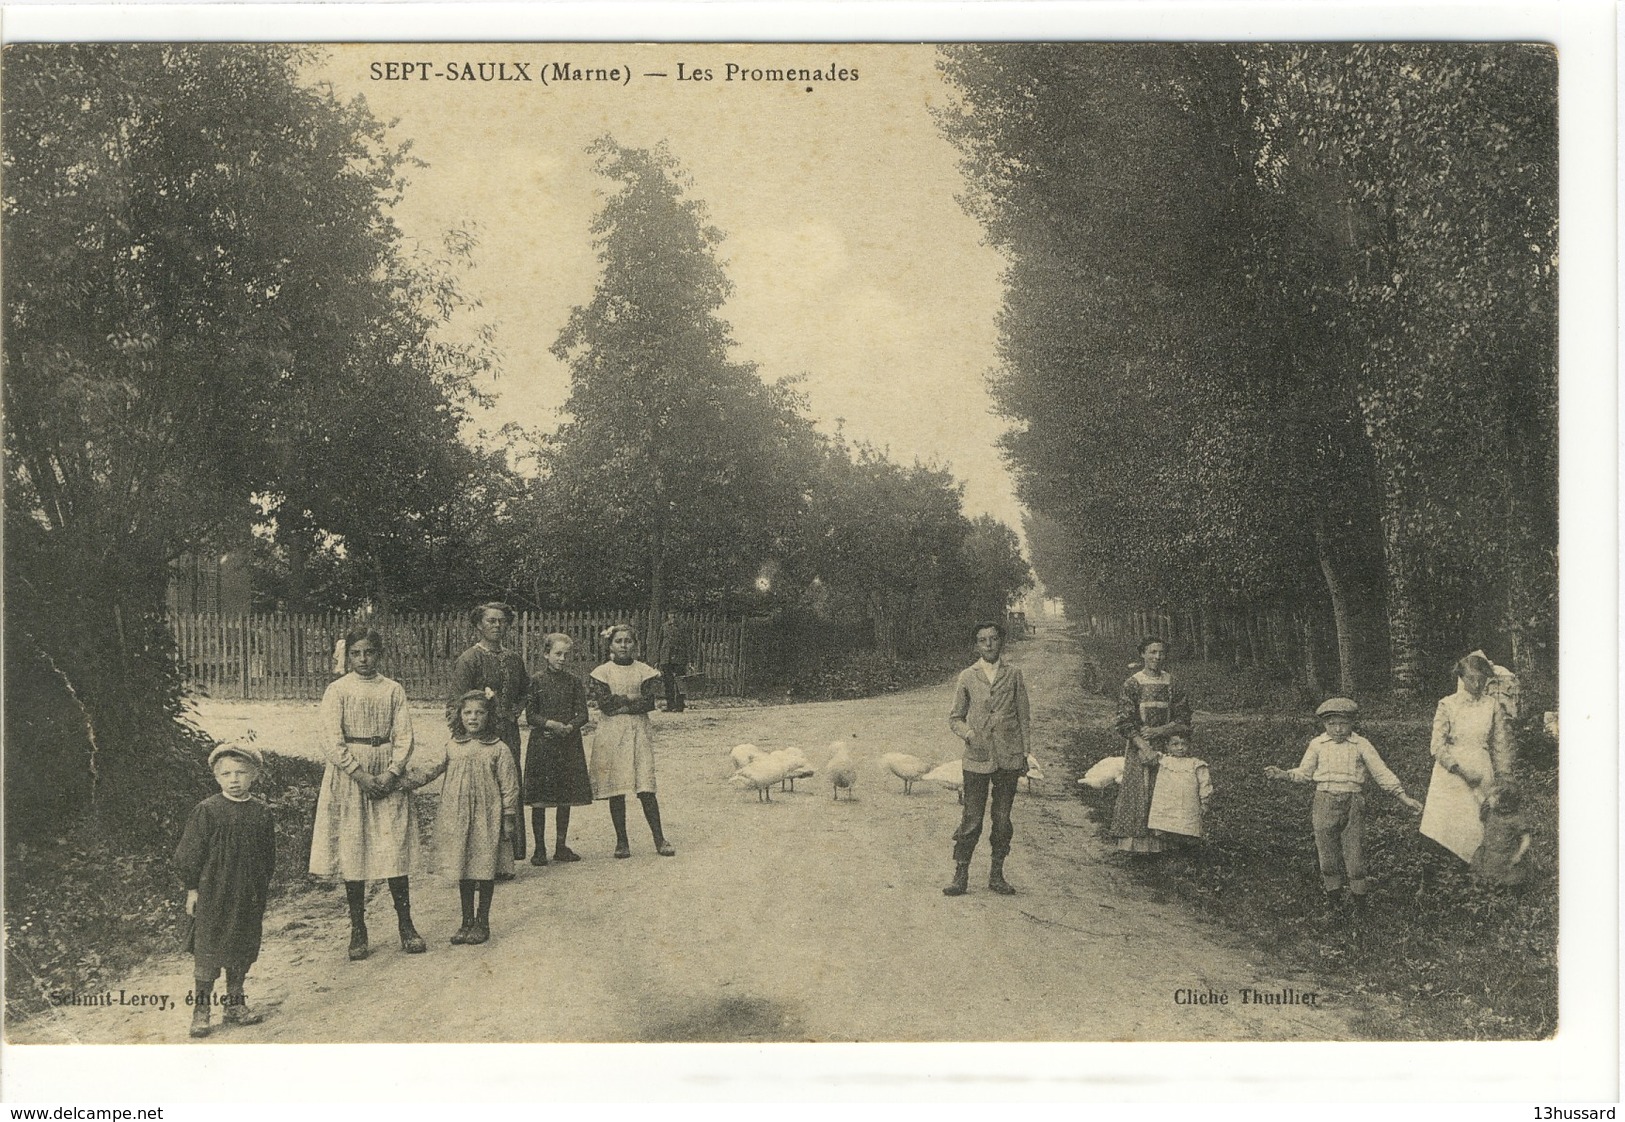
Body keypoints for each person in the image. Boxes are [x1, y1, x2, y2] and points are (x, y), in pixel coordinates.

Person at [308, 626, 424, 960]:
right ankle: (358, 928)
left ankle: (406, 924)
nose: (363, 659)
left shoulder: (393, 690)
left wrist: (391, 772)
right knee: (353, 848)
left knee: (393, 846)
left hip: (387, 769)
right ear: (347, 655)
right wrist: (359, 774)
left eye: (369, 652)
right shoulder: (337, 690)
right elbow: (331, 738)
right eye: (356, 653)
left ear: (380, 654)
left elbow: (404, 736)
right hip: (350, 775)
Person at [1264, 697, 1423, 907]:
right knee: (1327, 856)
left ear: (1352, 723)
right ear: (1324, 724)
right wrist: (1284, 774)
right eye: (1332, 724)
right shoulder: (1317, 745)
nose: (1338, 729)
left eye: (1343, 723)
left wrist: (1403, 797)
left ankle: (1360, 908)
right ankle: (1335, 905)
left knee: (1355, 858)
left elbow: (1380, 771)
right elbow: (1304, 773)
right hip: (1324, 801)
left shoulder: (1361, 745)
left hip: (1353, 803)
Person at [174, 742, 276, 1038]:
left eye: (241, 772)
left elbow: (268, 855)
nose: (234, 779)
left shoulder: (261, 812)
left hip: (247, 894)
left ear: (254, 775)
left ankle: (234, 1003)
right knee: (208, 950)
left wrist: (260, 888)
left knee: (242, 945)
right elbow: (188, 855)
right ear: (217, 777)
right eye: (227, 773)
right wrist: (192, 889)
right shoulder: (207, 811)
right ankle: (201, 1010)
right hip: (214, 894)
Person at [402, 692, 519, 945]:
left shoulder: (499, 748)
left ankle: (482, 921)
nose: (473, 717)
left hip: (487, 817)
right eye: (468, 713)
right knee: (464, 868)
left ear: (490, 716)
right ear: (460, 716)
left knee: (485, 868)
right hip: (458, 817)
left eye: (480, 712)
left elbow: (510, 786)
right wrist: (406, 782)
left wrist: (509, 817)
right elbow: (432, 769)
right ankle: (466, 921)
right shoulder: (452, 746)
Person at [944, 620, 1031, 896]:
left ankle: (997, 874)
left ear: (1001, 642)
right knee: (972, 818)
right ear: (976, 645)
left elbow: (1023, 717)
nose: (989, 644)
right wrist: (968, 734)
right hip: (977, 759)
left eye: (993, 639)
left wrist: (1024, 753)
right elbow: (955, 717)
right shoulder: (967, 676)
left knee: (1003, 819)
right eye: (983, 640)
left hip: (1008, 758)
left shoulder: (1014, 674)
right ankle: (961, 874)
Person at [448, 602, 530, 868]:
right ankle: (478, 861)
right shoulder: (469, 659)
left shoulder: (514, 659)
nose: (497, 626)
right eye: (491, 621)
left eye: (502, 621)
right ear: (478, 625)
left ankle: (506, 860)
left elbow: (525, 692)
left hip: (508, 733)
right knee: (482, 792)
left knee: (508, 788)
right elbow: (457, 703)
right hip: (479, 737)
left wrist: (514, 711)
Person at [1419, 651, 1516, 870]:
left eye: (1482, 679)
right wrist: (1461, 771)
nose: (1477, 684)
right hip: (1450, 773)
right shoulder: (1447, 705)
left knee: (1476, 825)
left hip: (1481, 768)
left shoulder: (1491, 705)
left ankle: (1472, 877)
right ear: (1461, 678)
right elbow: (1436, 746)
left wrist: (1503, 776)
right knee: (1442, 825)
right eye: (1471, 679)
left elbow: (1500, 745)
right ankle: (1434, 878)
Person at [587, 623, 675, 859]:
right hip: (612, 733)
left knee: (645, 785)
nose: (624, 645)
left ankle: (659, 838)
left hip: (638, 732)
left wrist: (622, 702)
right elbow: (605, 704)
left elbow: (647, 703)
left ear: (635, 644)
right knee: (617, 787)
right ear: (611, 645)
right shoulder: (602, 672)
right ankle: (622, 841)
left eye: (628, 641)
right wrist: (631, 698)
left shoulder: (644, 671)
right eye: (619, 641)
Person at [1109, 637, 1192, 854]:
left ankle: (1164, 843)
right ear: (1142, 654)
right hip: (1140, 747)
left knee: (1166, 790)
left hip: (1168, 746)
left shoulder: (1172, 683)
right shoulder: (1133, 683)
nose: (1157, 657)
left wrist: (1160, 731)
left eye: (1161, 653)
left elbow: (1184, 717)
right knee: (1139, 790)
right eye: (1152, 652)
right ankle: (1137, 846)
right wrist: (1143, 746)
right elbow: (1124, 721)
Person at [523, 632, 593, 865]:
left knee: (565, 797)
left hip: (568, 743)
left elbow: (583, 713)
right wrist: (549, 724)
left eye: (566, 654)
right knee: (540, 799)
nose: (562, 659)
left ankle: (561, 846)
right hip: (543, 744)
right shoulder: (536, 681)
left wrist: (570, 726)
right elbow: (530, 714)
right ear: (546, 654)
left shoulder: (574, 682)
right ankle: (540, 848)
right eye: (557, 654)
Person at [1144, 726, 1212, 845]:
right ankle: (1170, 847)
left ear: (1189, 745)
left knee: (1187, 825)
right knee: (1166, 823)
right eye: (1175, 744)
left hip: (1187, 802)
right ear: (1167, 746)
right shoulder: (1164, 760)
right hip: (1167, 801)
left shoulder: (1196, 764)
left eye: (1184, 744)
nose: (1180, 748)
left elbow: (1205, 783)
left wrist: (1205, 801)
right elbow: (1146, 758)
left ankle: (1186, 849)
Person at [1471, 785, 1533, 888]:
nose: (1489, 799)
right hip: (1488, 853)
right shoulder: (1491, 812)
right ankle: (1486, 888)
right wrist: (1474, 787)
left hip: (1504, 856)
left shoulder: (1515, 819)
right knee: (1483, 875)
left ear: (1504, 803)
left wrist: (1519, 854)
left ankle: (1502, 891)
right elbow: (1481, 798)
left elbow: (1525, 839)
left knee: (1504, 880)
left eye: (1494, 797)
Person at [655, 611, 693, 713]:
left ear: (679, 615)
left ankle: (679, 705)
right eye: (671, 613)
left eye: (675, 613)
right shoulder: (664, 627)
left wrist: (689, 660)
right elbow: (660, 643)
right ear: (668, 615)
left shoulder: (683, 626)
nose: (673, 616)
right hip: (666, 658)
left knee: (680, 682)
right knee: (668, 682)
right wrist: (658, 659)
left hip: (679, 657)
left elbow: (688, 643)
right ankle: (670, 705)